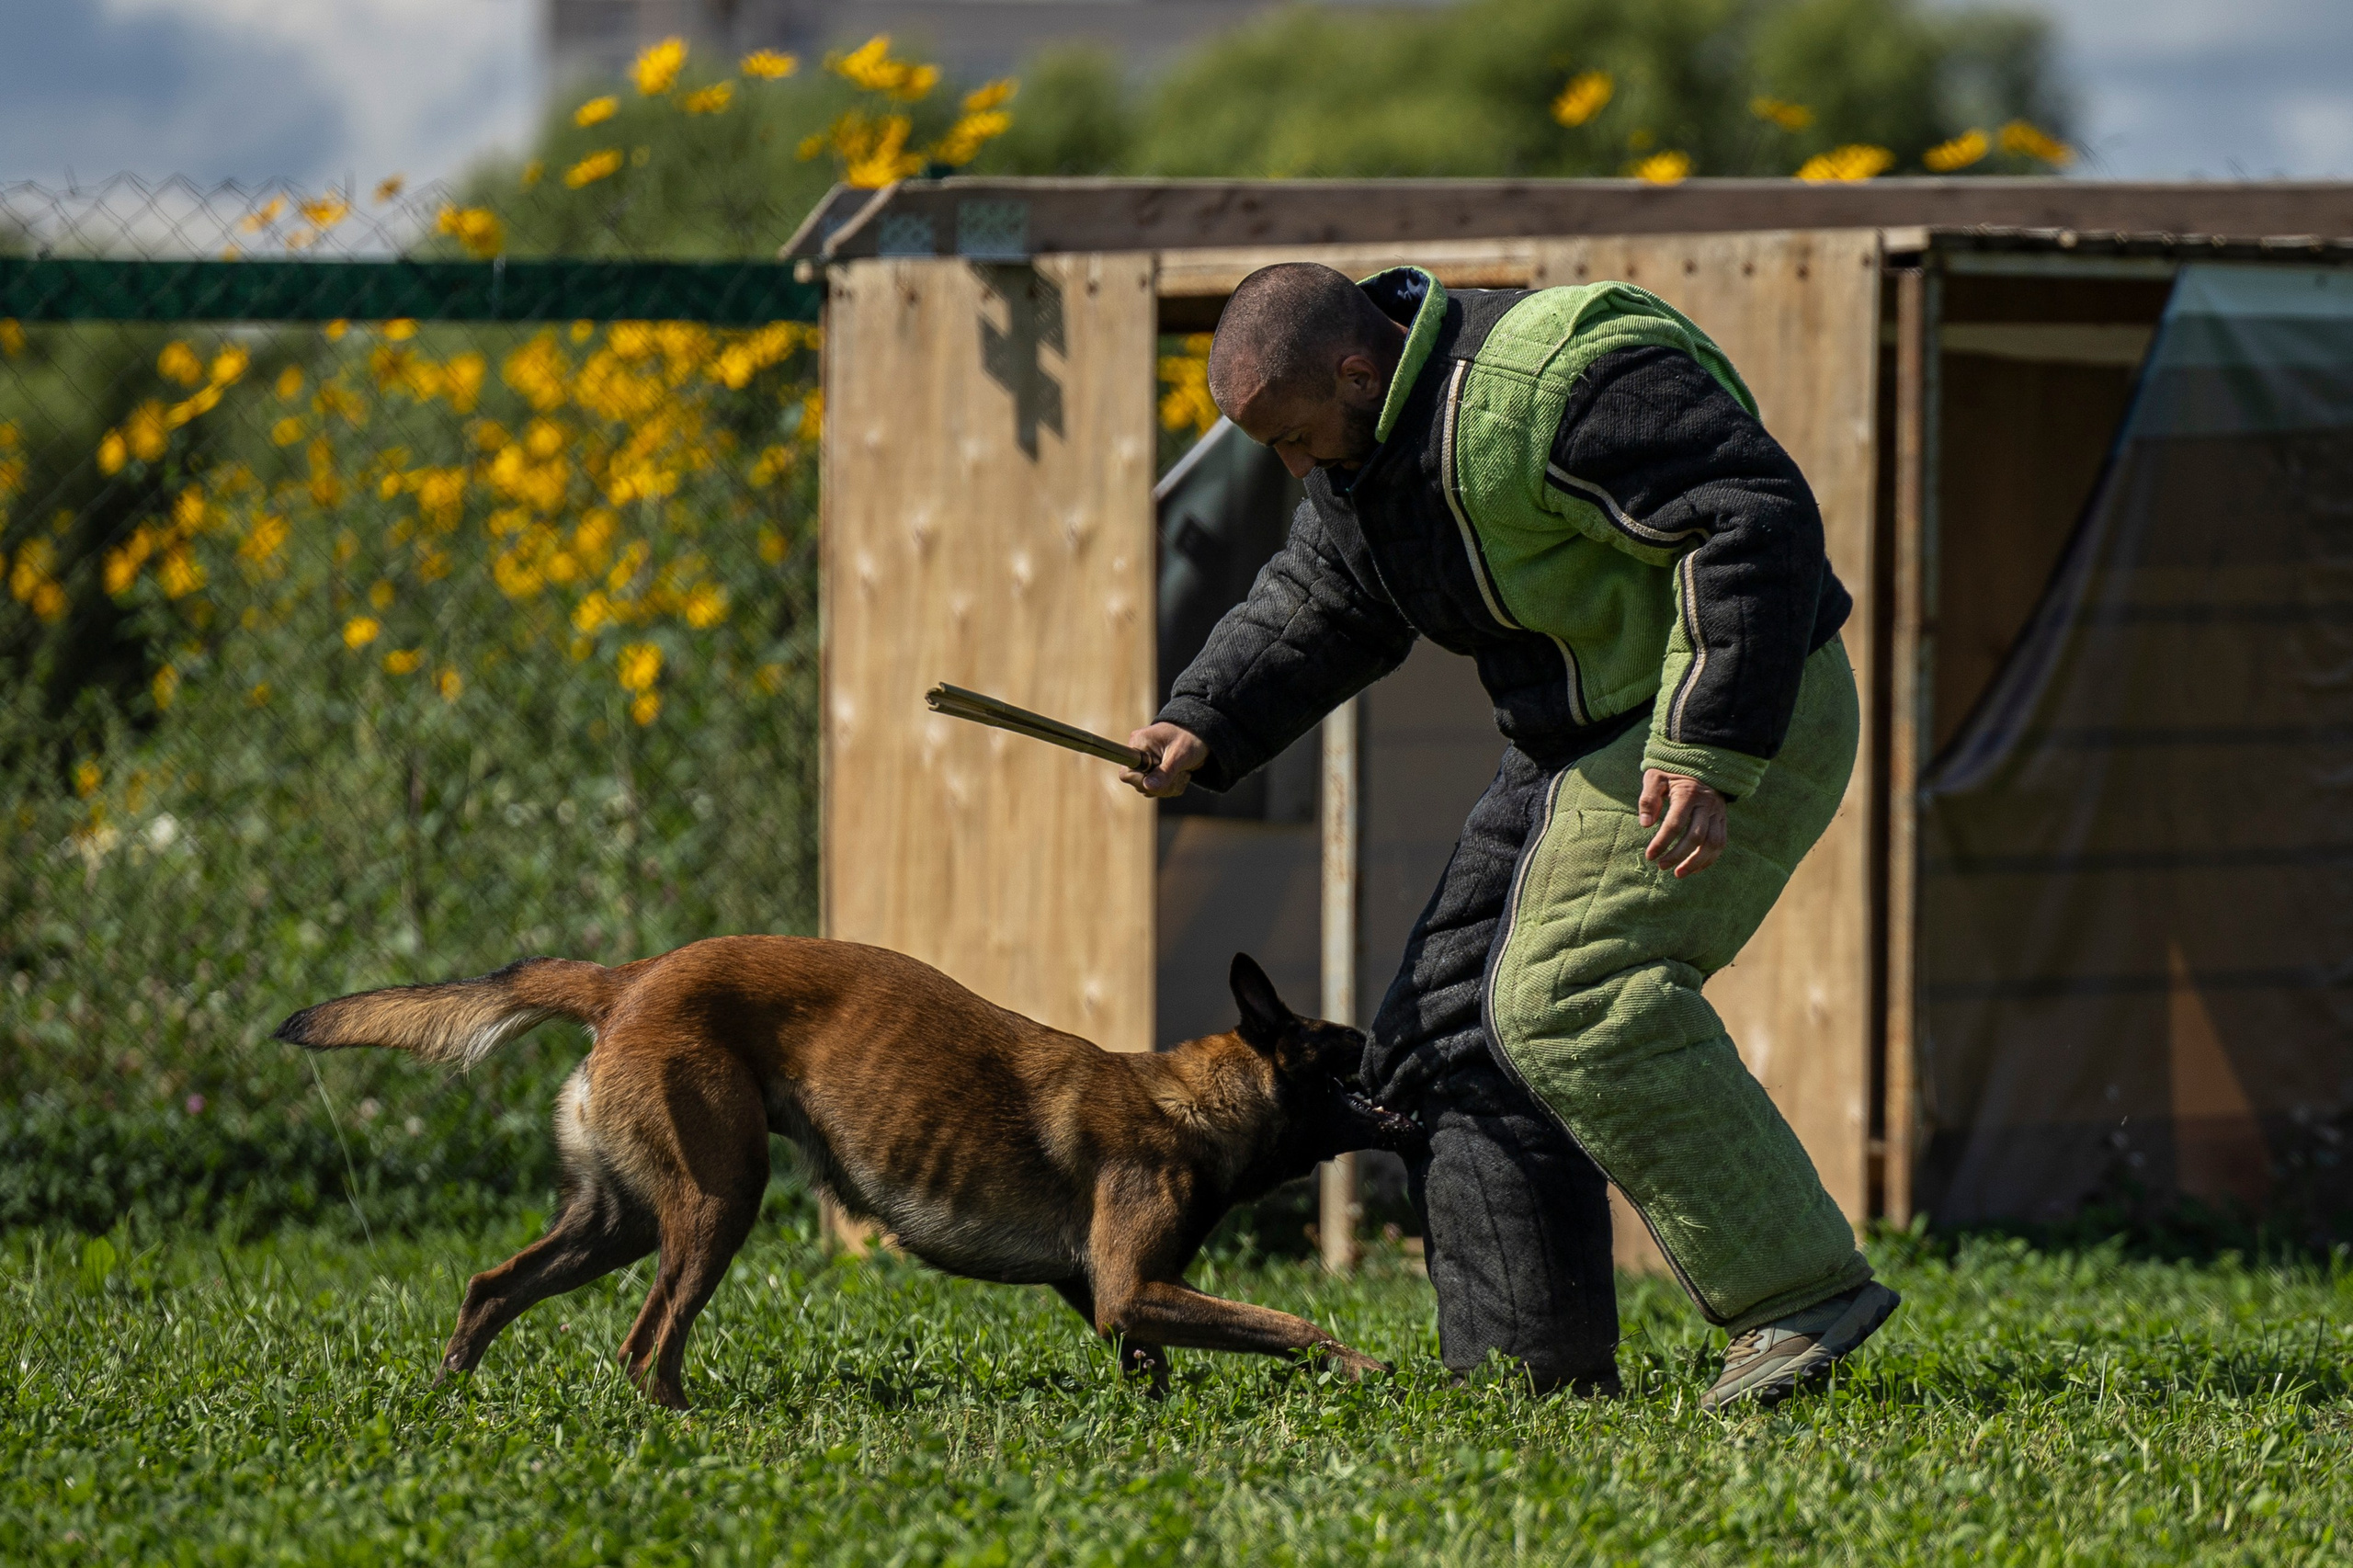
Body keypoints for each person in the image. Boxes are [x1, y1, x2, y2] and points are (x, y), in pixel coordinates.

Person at [1121, 262, 1899, 1411]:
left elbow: (1747, 515)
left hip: (1733, 705)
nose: (1291, 466)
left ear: (1355, 367)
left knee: (1568, 990)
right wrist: (1203, 716)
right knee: (1437, 1040)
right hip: (1577, 742)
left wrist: (1703, 742)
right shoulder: (1360, 448)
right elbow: (1326, 595)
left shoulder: (1553, 378)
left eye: (1292, 437)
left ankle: (1797, 1295)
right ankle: (1529, 1379)